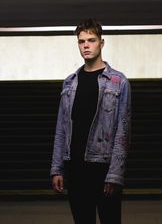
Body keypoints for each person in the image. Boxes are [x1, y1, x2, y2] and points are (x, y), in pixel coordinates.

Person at [50, 19, 131, 224]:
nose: (86, 45)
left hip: (102, 167)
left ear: (101, 43)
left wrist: (114, 174)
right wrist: (57, 168)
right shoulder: (70, 82)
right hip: (74, 167)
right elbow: (61, 128)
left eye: (91, 40)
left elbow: (123, 130)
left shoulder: (118, 81)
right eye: (81, 41)